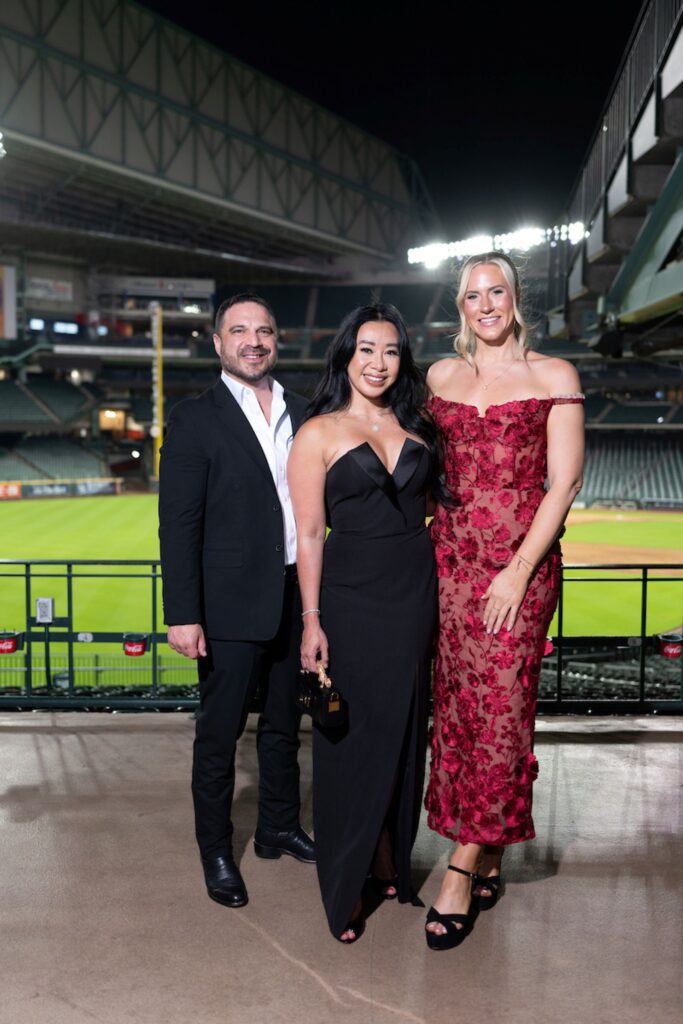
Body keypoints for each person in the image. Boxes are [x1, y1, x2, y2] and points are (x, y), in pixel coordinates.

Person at [424, 252, 584, 950]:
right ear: (458, 306)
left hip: (515, 571)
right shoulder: (438, 376)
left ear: (516, 299)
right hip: (447, 567)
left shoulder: (554, 376)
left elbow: (564, 484)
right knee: (457, 709)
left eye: (495, 292)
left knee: (501, 712)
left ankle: (459, 868)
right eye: (470, 296)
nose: (484, 304)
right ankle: (486, 848)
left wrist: (517, 572)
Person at [287, 303, 440, 943]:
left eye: (391, 351)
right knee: (350, 735)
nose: (379, 363)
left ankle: (386, 859)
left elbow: (433, 507)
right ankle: (346, 877)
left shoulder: (420, 424)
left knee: (405, 728)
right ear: (346, 355)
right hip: (349, 596)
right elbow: (310, 534)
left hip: (413, 588)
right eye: (367, 349)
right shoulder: (317, 432)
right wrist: (311, 619)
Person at [159, 293, 315, 910]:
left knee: (284, 728)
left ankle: (277, 825)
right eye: (240, 331)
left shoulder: (304, 409)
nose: (255, 341)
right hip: (225, 606)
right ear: (218, 343)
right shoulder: (195, 417)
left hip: (292, 593)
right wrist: (183, 612)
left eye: (265, 331)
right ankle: (217, 850)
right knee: (220, 737)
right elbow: (179, 524)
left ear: (277, 340)